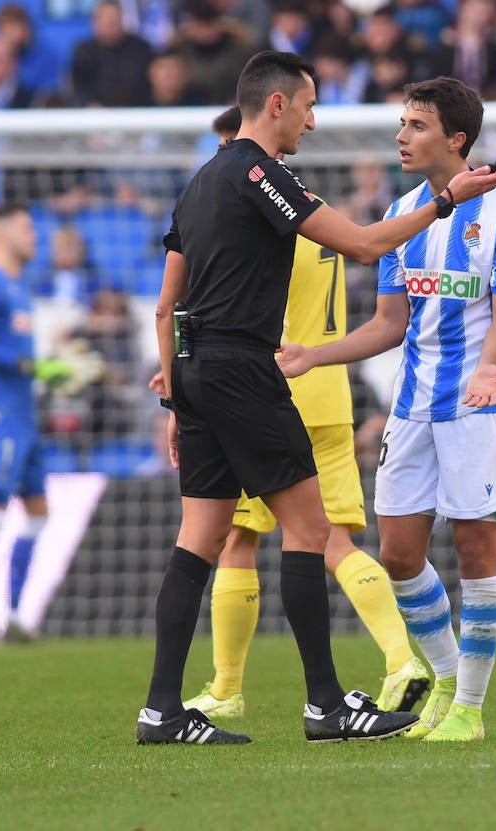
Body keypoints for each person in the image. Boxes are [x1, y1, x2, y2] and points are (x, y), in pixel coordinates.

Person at [136, 51, 496, 746]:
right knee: (311, 532)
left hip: (193, 368)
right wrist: (448, 199)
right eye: (308, 105)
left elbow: (167, 305)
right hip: (245, 368)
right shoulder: (259, 172)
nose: (312, 119)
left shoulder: (197, 183)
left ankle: (161, 710)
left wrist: (175, 396)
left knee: (202, 538)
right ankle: (327, 704)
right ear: (276, 104)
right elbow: (366, 246)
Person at [278, 76, 496, 743]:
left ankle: (470, 709)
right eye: (401, 124)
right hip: (413, 406)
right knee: (396, 552)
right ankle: (445, 676)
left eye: (416, 125)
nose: (401, 136)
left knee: (478, 549)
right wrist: (317, 354)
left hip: (479, 406)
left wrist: (486, 369)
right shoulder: (404, 214)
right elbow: (390, 323)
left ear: (455, 138)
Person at [161, 106, 430, 722]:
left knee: (236, 539)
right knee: (330, 538)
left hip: (263, 383)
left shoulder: (254, 212)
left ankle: (227, 688)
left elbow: (191, 303)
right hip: (328, 390)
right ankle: (398, 658)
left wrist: (184, 369)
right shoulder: (312, 209)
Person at [0, 204, 74, 642]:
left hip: (24, 418)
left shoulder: (18, 287)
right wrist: (30, 365)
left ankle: (18, 618)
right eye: (26, 227)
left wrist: (44, 368)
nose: (35, 235)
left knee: (39, 513)